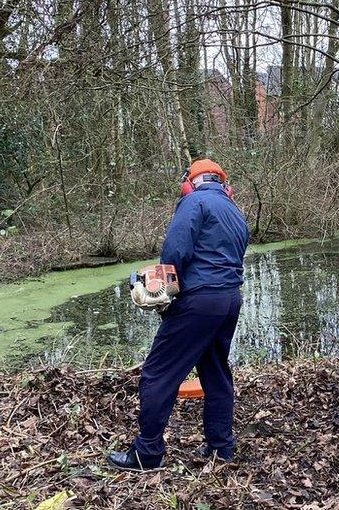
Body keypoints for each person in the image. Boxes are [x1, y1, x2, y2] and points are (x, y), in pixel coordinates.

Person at [108, 159, 250, 471]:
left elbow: (175, 252)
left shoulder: (193, 202)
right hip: (229, 299)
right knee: (215, 372)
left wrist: (163, 290)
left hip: (199, 301)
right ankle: (220, 448)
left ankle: (147, 453)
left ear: (191, 181)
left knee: (159, 373)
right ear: (223, 184)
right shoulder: (234, 211)